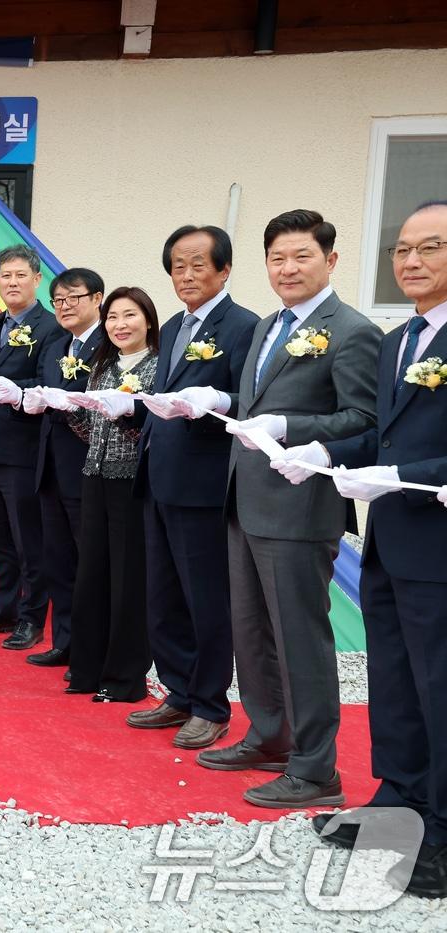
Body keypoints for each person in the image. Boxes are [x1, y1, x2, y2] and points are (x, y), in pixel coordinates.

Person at [284, 200, 447, 898]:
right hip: (391, 540)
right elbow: (384, 434)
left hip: (438, 544)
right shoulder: (401, 338)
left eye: (430, 247)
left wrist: (400, 475)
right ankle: (399, 800)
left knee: (441, 688)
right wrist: (324, 451)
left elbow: (408, 456)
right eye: (401, 249)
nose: (411, 260)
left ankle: (441, 830)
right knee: (397, 681)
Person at [198, 210, 380, 807]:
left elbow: (364, 419)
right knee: (251, 632)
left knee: (300, 639)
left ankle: (316, 768)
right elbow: (255, 402)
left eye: (301, 256)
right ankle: (269, 734)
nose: (288, 268)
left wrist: (291, 426)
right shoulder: (268, 325)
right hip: (245, 499)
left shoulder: (351, 331)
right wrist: (214, 398)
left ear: (330, 260)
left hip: (300, 508)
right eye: (277, 258)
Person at [128, 225, 258, 750]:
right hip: (159, 476)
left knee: (206, 601)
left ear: (224, 269)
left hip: (203, 485)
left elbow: (249, 402)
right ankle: (178, 692)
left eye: (197, 264)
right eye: (177, 266)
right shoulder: (176, 326)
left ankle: (210, 705)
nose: (186, 275)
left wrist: (213, 401)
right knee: (163, 598)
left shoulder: (243, 326)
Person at [0, 245, 63, 649]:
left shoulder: (50, 327)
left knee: (28, 540)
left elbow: (49, 383)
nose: (12, 282)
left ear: (37, 279)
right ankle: (2, 609)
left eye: (21, 275)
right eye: (6, 275)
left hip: (23, 450)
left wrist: (14, 388)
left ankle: (32, 618)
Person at [62, 287, 159, 702]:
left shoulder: (158, 367)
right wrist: (69, 408)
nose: (120, 325)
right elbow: (90, 431)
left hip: (132, 482)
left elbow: (152, 433)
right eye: (113, 317)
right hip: (94, 476)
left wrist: (125, 416)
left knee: (127, 578)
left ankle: (123, 677)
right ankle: (86, 668)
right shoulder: (102, 366)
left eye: (130, 315)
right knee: (91, 574)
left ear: (148, 321)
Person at [21, 268, 106, 668]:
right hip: (51, 467)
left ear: (97, 299)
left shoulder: (108, 345)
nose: (65, 306)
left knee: (91, 564)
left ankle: (92, 652)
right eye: (59, 300)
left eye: (74, 297)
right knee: (59, 561)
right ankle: (65, 642)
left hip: (88, 468)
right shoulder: (57, 344)